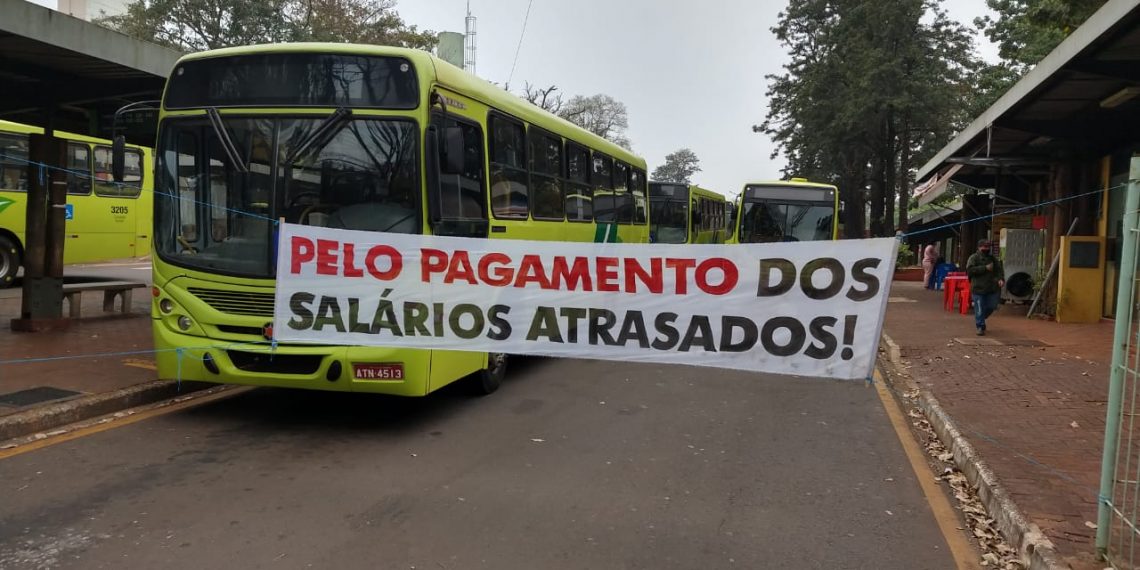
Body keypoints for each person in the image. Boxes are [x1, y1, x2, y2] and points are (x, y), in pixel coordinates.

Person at [966, 239, 1005, 336]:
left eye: (988, 247)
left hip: (992, 288)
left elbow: (999, 270)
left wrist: (1000, 279)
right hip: (978, 288)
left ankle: (982, 318)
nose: (986, 249)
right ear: (979, 247)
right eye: (984, 247)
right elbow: (970, 271)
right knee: (979, 308)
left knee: (992, 306)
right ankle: (980, 326)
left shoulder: (993, 259)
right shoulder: (974, 258)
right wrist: (985, 268)